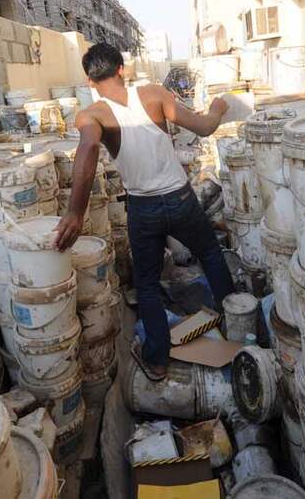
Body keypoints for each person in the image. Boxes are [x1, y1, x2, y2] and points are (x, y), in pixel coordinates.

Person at [54, 43, 235, 381]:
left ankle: (157, 361)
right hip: (181, 199)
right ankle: (238, 324)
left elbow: (89, 145)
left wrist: (75, 213)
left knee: (148, 284)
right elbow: (206, 127)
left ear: (89, 81)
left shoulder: (92, 115)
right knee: (210, 254)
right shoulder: (154, 94)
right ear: (122, 69)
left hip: (143, 208)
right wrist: (217, 107)